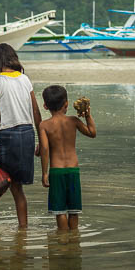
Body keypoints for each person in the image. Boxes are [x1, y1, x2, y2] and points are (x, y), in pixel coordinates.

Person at [0, 43, 42, 228]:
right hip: (27, 134)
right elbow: (35, 111)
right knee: (17, 189)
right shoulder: (25, 79)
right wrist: (41, 140)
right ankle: (23, 231)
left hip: (7, 136)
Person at [39, 85, 96, 230]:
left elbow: (44, 149)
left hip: (57, 171)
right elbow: (92, 132)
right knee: (74, 211)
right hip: (73, 171)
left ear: (45, 105)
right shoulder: (73, 121)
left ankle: (62, 242)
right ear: (66, 104)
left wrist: (44, 173)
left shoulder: (44, 125)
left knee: (60, 212)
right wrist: (87, 114)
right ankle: (73, 241)